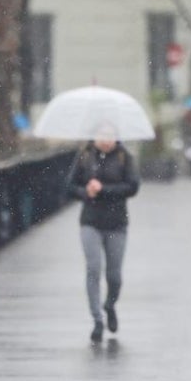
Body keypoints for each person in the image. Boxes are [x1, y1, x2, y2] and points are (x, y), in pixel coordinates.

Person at [66, 123, 140, 343]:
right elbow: (69, 187)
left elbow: (133, 186)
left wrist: (104, 190)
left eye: (111, 136)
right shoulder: (85, 156)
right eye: (102, 136)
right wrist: (86, 192)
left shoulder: (124, 157)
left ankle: (110, 304)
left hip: (117, 223)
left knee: (114, 275)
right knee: (93, 268)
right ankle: (97, 319)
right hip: (90, 222)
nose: (106, 140)